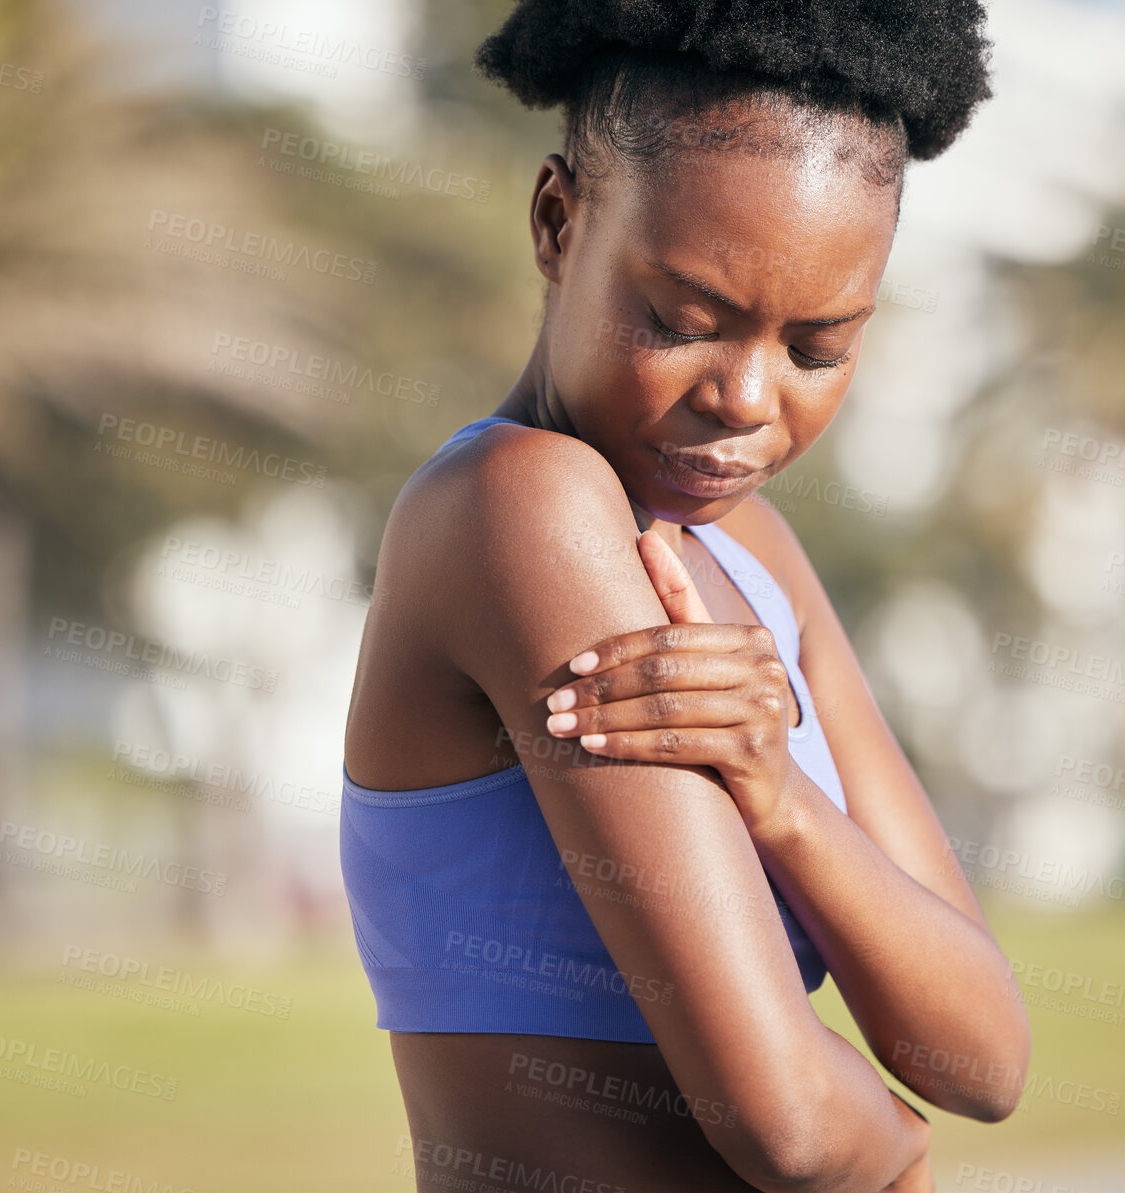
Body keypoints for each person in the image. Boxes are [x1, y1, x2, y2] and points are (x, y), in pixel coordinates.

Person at [340, 2, 1027, 1189]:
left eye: (819, 346)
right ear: (558, 222)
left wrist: (782, 803)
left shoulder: (756, 552)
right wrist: (907, 1160)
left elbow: (982, 1053)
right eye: (682, 321)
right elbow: (793, 1128)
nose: (748, 397)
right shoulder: (521, 505)